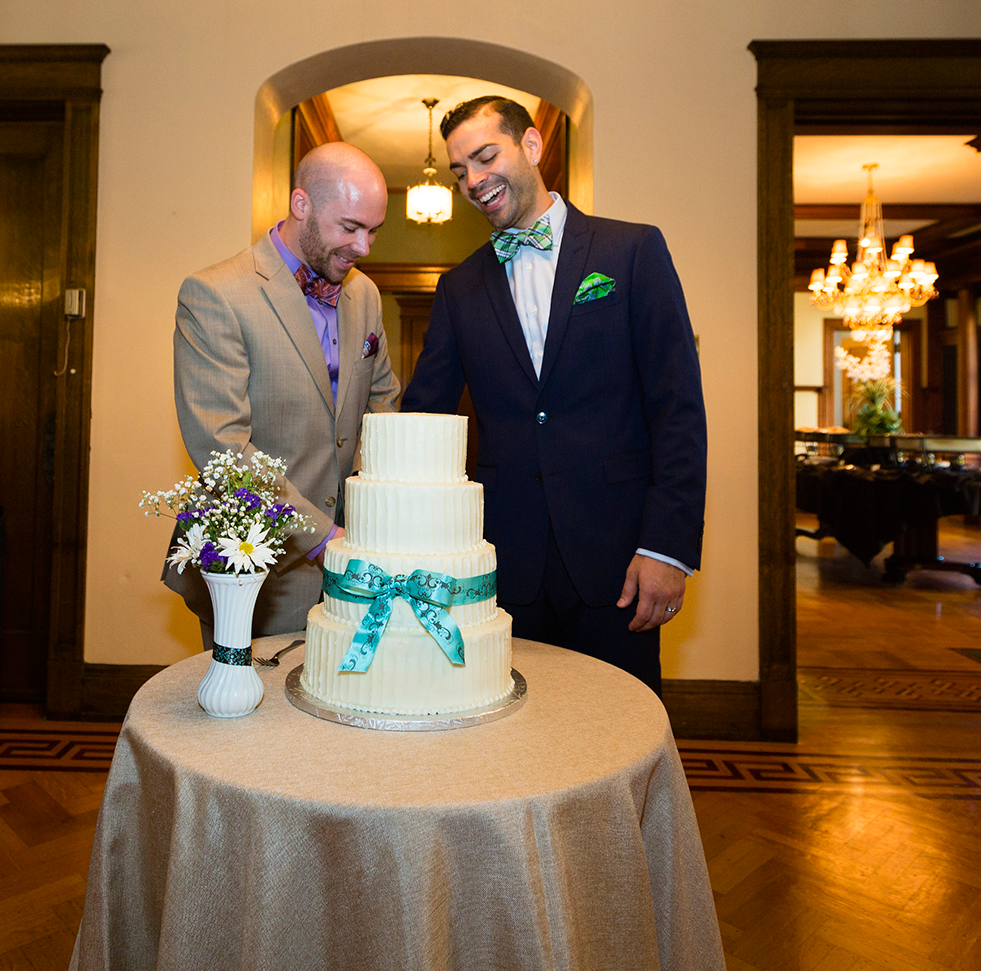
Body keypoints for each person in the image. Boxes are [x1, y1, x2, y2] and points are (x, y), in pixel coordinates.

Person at [401, 97, 706, 694]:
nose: (474, 182)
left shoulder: (632, 251)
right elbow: (425, 414)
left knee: (617, 735)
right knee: (511, 743)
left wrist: (667, 549)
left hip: (622, 561)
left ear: (533, 147)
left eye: (485, 157)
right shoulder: (459, 287)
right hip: (502, 568)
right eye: (460, 172)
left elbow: (678, 408)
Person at [164, 142, 400, 643]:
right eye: (350, 228)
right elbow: (221, 448)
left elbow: (383, 406)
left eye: (374, 230)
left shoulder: (365, 294)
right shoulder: (215, 294)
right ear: (301, 205)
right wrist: (322, 538)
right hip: (257, 569)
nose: (364, 248)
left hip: (352, 569)